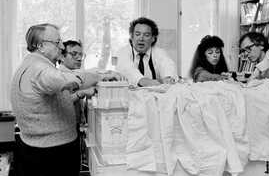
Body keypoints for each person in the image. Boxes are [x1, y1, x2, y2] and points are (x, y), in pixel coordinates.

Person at [11, 23, 123, 176]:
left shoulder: (30, 64)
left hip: (39, 147)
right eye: (57, 42)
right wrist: (100, 76)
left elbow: (53, 98)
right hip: (50, 154)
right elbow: (63, 80)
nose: (62, 46)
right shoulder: (39, 69)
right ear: (40, 46)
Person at [116, 17, 177, 87]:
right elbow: (127, 68)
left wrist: (168, 78)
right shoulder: (123, 52)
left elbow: (167, 64)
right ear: (131, 36)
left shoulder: (159, 52)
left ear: (153, 38)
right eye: (137, 34)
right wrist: (143, 81)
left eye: (146, 35)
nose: (141, 38)